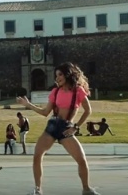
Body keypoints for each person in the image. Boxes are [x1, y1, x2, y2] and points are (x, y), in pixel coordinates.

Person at [16, 62, 100, 195]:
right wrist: (28, 104)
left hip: (66, 128)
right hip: (52, 126)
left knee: (82, 160)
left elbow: (88, 111)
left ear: (67, 75)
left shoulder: (78, 90)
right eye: (56, 76)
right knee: (37, 155)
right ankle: (38, 190)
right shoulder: (55, 91)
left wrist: (75, 127)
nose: (57, 78)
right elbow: (45, 112)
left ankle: (86, 189)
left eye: (60, 75)